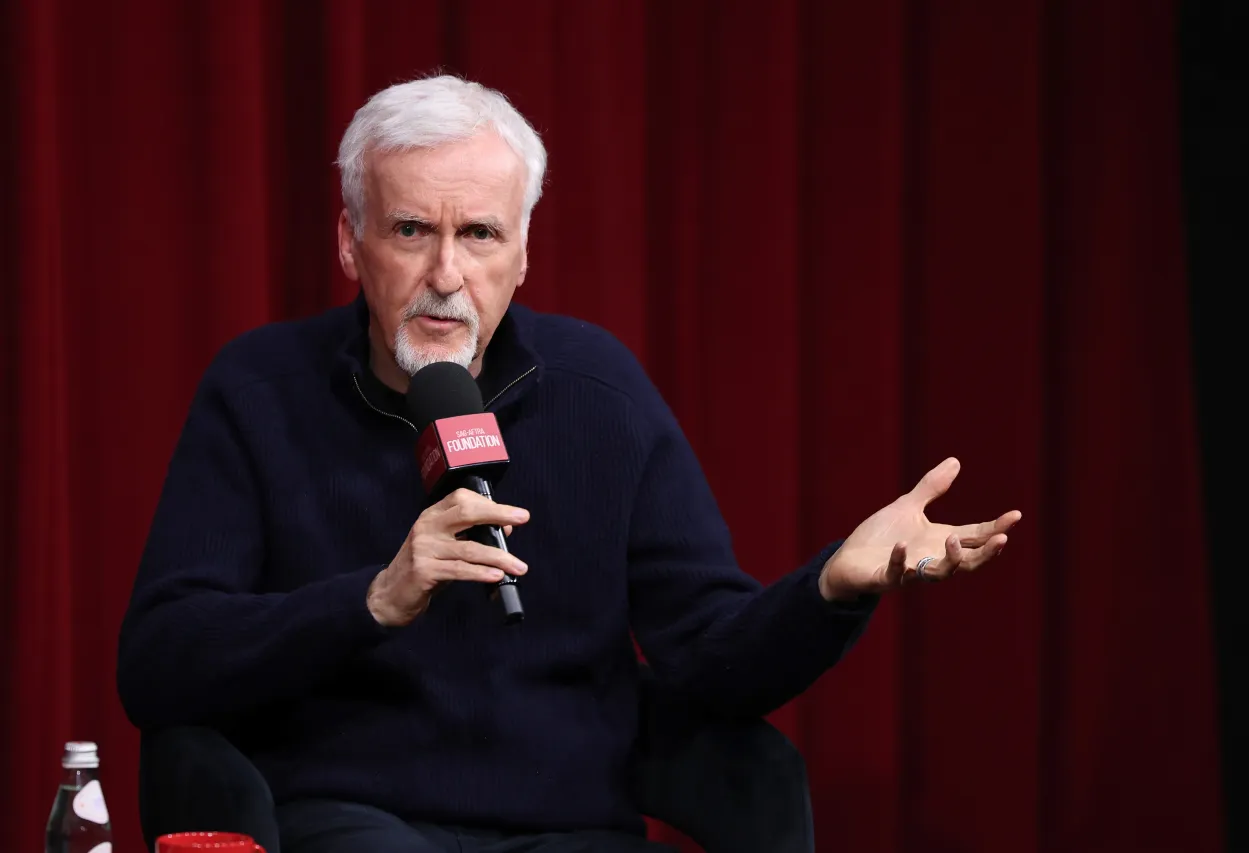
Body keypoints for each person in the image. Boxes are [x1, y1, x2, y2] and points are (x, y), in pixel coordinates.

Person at [117, 74, 1019, 853]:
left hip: (571, 827)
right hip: (350, 817)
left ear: (522, 253)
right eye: (408, 231)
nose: (445, 273)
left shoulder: (599, 391)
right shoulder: (258, 390)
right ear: (351, 244)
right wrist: (371, 600)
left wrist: (833, 585)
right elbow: (158, 661)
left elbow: (711, 655)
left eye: (478, 234)